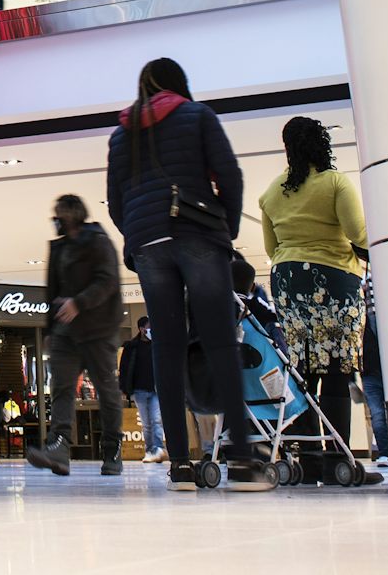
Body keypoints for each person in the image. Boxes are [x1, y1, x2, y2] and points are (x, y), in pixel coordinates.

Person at [105, 57, 274, 492]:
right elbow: (230, 175)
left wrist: (141, 232)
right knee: (219, 340)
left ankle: (180, 465)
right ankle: (241, 460)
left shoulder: (123, 135)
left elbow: (117, 200)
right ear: (180, 84)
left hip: (148, 245)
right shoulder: (197, 116)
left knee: (167, 347)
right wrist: (227, 228)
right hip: (197, 232)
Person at [258, 116, 368, 458]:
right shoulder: (335, 182)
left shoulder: (272, 193)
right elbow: (358, 233)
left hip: (289, 282)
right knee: (336, 368)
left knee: (303, 369)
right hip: (332, 278)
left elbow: (271, 248)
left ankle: (306, 458)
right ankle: (340, 458)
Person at [26, 194, 125, 477]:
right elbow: (53, 291)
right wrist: (49, 330)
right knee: (61, 388)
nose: (55, 220)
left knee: (107, 391)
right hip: (65, 333)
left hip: (99, 330)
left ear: (73, 214)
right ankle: (58, 447)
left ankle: (112, 450)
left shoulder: (98, 241)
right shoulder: (59, 248)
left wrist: (78, 303)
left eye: (59, 214)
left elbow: (107, 281)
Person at [119, 315, 164, 463]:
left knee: (157, 420)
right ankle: (150, 450)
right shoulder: (131, 347)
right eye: (149, 327)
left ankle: (158, 449)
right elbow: (124, 369)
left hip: (155, 389)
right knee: (146, 423)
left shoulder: (157, 346)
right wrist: (124, 388)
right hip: (139, 390)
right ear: (141, 329)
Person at [360, 270, 388, 471]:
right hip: (373, 369)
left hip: (372, 369)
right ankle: (386, 452)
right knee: (379, 414)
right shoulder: (369, 321)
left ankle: (387, 452)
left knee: (379, 414)